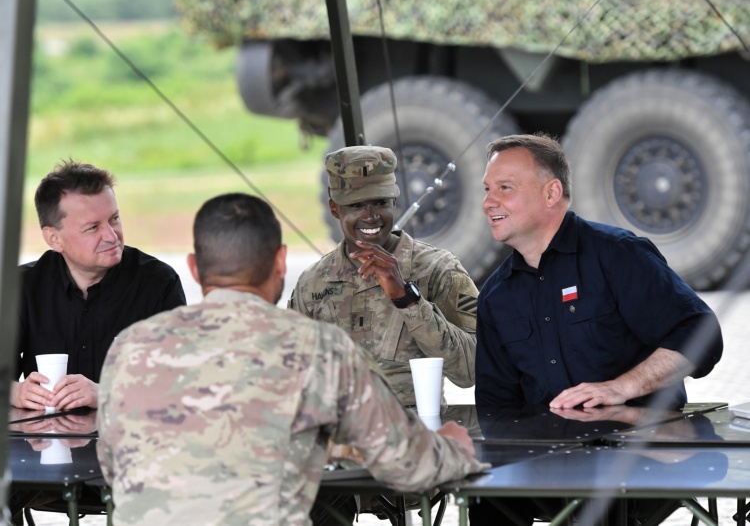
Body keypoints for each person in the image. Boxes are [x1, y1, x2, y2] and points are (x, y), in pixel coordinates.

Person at [96, 193, 487, 525]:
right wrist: (452, 447)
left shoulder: (130, 346)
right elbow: (406, 461)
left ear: (195, 268)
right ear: (281, 262)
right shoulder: (316, 347)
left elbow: (112, 466)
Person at [472, 133, 723, 524]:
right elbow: (496, 409)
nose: (489, 201)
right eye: (488, 189)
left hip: (638, 459)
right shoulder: (495, 296)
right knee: (483, 498)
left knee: (600, 502)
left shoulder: (617, 254)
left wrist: (621, 388)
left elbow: (701, 335)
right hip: (546, 468)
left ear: (551, 192)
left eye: (505, 188)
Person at [289, 145, 478, 405]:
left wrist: (408, 300)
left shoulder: (438, 269)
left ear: (395, 202)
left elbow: (471, 371)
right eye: (356, 205)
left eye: (381, 203)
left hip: (416, 433)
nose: (371, 216)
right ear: (335, 209)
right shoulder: (312, 283)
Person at [12, 160, 186, 412]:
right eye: (93, 227)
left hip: (130, 442)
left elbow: (179, 385)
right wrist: (15, 392)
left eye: (114, 219)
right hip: (41, 444)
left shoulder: (158, 282)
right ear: (54, 238)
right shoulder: (23, 287)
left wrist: (106, 392)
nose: (111, 236)